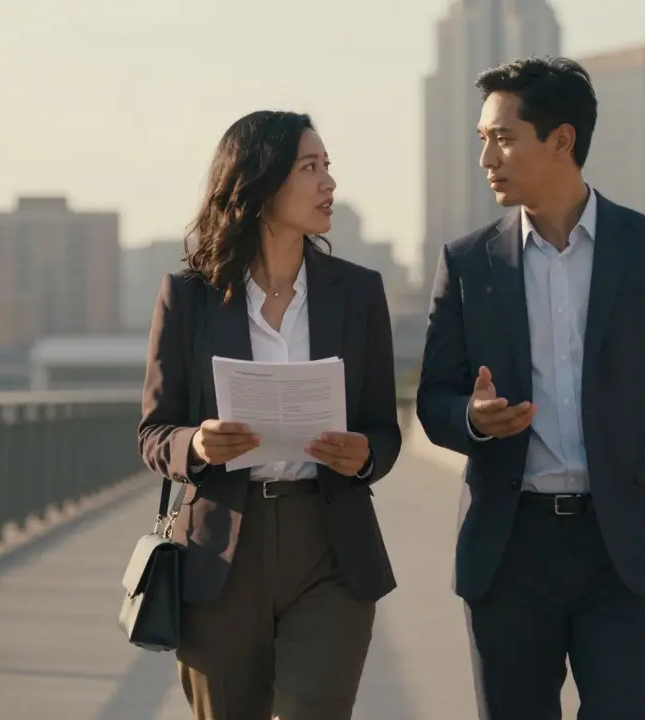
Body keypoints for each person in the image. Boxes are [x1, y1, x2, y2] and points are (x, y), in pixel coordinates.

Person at [416, 57, 645, 719]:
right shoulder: (468, 262)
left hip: (624, 553)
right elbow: (432, 400)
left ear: (561, 140)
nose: (486, 158)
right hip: (509, 554)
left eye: (502, 138)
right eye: (482, 139)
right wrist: (472, 418)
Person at [137, 109, 402, 720]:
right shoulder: (189, 297)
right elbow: (155, 433)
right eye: (310, 167)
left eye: (328, 166)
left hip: (330, 548)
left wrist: (365, 455)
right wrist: (197, 445)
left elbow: (384, 429)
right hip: (222, 551)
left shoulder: (358, 293)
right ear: (259, 183)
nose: (329, 183)